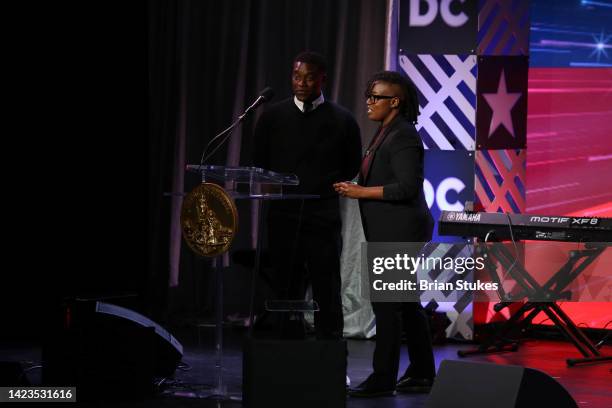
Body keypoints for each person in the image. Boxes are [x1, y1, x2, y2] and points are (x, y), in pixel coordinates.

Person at [334, 70, 436, 397]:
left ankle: (382, 379)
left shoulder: (403, 135)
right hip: (393, 227)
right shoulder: (386, 132)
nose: (368, 101)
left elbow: (407, 187)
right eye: (368, 95)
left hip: (400, 228)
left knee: (388, 306)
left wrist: (360, 192)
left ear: (395, 101)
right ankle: (422, 373)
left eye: (375, 96)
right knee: (405, 303)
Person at [253, 51, 362, 340]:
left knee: (326, 285)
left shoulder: (343, 120)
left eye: (309, 77)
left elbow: (352, 165)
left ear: (322, 79)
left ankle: (330, 351)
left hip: (322, 216)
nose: (302, 82)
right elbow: (259, 160)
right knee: (284, 286)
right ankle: (285, 346)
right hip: (282, 214)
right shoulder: (272, 116)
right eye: (297, 76)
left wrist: (323, 187)